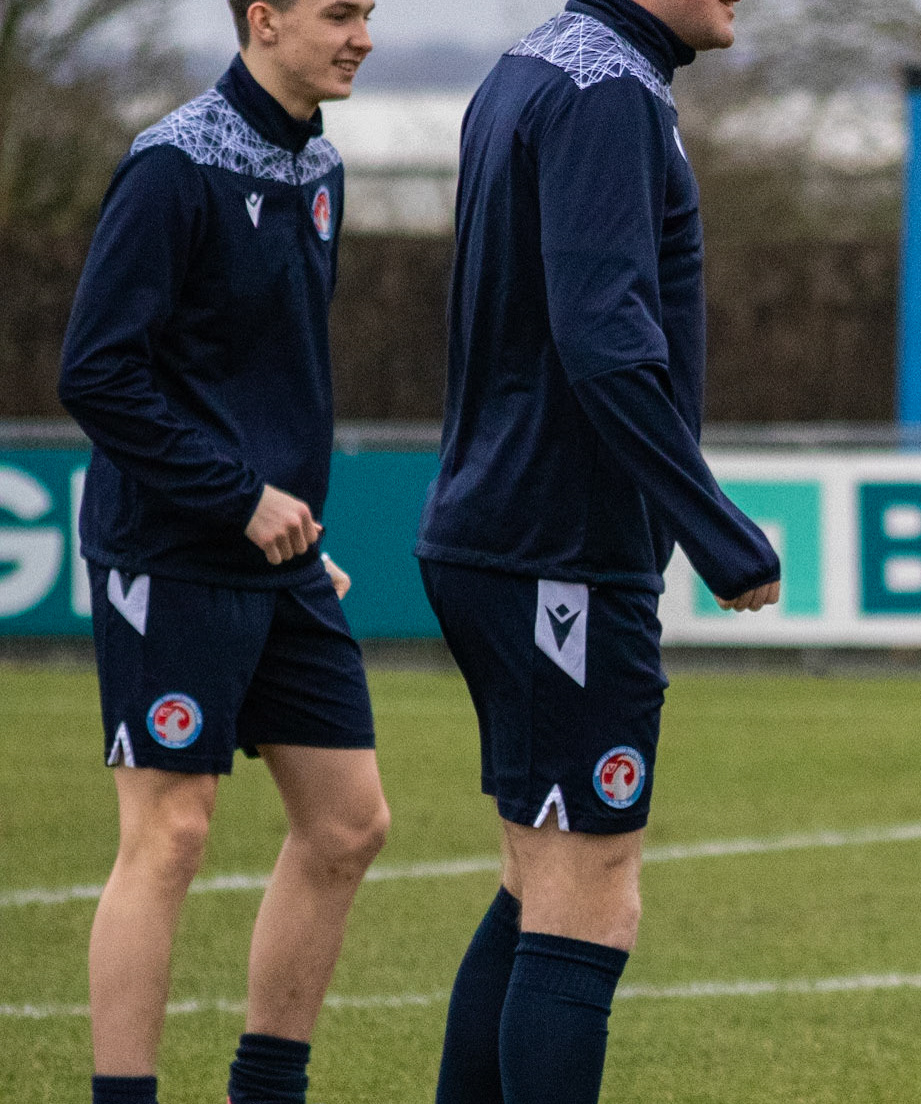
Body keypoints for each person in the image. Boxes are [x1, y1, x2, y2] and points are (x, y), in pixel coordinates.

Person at [414, 0, 781, 1100]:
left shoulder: (531, 67)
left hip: (503, 533)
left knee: (537, 883)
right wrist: (713, 528)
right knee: (592, 893)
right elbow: (604, 339)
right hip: (557, 549)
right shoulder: (609, 88)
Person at [56, 3, 386, 1104]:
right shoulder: (170, 166)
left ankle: (266, 1093)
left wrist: (298, 532)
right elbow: (99, 374)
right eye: (341, 13)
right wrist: (238, 496)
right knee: (171, 835)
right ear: (265, 18)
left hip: (281, 558)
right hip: (172, 549)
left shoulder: (323, 166)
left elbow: (270, 377)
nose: (363, 37)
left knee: (348, 825)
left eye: (371, 15)